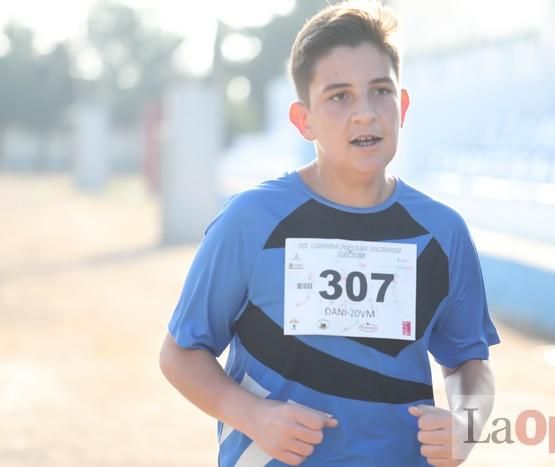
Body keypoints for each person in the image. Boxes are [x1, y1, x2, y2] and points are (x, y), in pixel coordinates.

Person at [159, 1, 500, 465]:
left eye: (380, 91)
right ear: (304, 120)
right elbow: (180, 354)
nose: (364, 114)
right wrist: (253, 415)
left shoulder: (443, 232)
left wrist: (468, 425)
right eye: (339, 96)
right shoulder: (250, 220)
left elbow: (468, 362)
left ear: (402, 106)